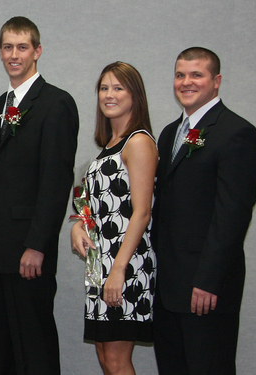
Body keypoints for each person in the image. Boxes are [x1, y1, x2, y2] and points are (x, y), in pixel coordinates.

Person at [0, 16, 78, 375]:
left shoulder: (57, 103)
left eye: (22, 47)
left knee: (34, 344)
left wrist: (38, 244)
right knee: (2, 346)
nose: (14, 55)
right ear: (0, 52)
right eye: (8, 47)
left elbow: (55, 183)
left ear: (37, 51)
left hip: (29, 251)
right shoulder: (1, 105)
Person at [152, 47, 256, 375]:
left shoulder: (236, 133)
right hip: (168, 285)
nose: (186, 82)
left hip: (206, 289)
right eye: (180, 75)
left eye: (196, 74)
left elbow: (233, 214)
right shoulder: (171, 133)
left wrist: (208, 281)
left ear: (216, 81)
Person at [70, 62, 156, 375]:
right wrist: (78, 225)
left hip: (126, 265)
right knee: (107, 359)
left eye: (118, 88)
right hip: (100, 264)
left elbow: (142, 212)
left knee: (118, 361)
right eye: (104, 88)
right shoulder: (108, 146)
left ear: (135, 95)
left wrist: (118, 270)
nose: (109, 95)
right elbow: (99, 206)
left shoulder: (139, 142)